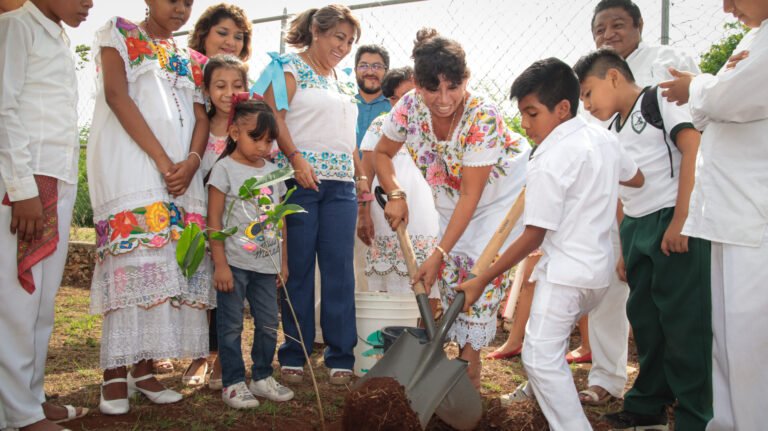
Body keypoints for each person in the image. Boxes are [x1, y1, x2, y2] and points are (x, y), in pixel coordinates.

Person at [459, 57, 642, 430]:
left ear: (562, 109)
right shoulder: (604, 137)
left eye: (531, 113)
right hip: (598, 272)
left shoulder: (548, 158)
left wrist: (482, 278)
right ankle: (545, 401)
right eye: (522, 113)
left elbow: (533, 235)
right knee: (550, 349)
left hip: (566, 276)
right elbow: (636, 178)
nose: (524, 124)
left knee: (540, 356)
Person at [565, 0, 705, 404]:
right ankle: (610, 379)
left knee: (675, 310)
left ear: (640, 25)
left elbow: (690, 137)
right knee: (617, 291)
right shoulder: (594, 93)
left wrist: (682, 216)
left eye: (617, 25)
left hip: (667, 206)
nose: (608, 34)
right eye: (600, 28)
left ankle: (679, 396)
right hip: (621, 204)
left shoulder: (666, 64)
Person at [375, 28, 531, 388]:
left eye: (453, 86)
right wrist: (395, 193)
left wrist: (439, 251)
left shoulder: (482, 117)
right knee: (450, 279)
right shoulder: (409, 108)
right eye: (433, 88)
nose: (444, 99)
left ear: (467, 78)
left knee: (477, 276)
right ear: (417, 84)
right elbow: (382, 153)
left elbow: (472, 197)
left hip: (498, 199)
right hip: (451, 197)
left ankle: (468, 373)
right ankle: (454, 373)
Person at [87, 0, 213, 415]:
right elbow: (117, 96)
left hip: (181, 172)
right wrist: (162, 161)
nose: (180, 8)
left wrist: (192, 162)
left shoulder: (192, 58)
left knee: (165, 265)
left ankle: (142, 371)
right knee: (134, 263)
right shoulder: (119, 33)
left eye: (188, 2)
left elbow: (201, 117)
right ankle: (114, 372)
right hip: (134, 166)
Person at [659, 1, 768, 429]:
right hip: (731, 213)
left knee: (750, 345)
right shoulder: (754, 36)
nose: (727, 7)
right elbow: (708, 110)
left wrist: (702, 87)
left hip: (754, 216)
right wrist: (708, 92)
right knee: (726, 342)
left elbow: (729, 97)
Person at [255, 4, 366, 385]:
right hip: (298, 182)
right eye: (339, 37)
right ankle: (293, 354)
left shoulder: (344, 79)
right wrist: (296, 159)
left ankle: (340, 356)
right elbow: (273, 117)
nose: (344, 46)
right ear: (317, 31)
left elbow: (348, 136)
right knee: (297, 268)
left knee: (339, 271)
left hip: (341, 188)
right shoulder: (289, 67)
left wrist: (361, 175)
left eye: (349, 41)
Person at [0, 2, 93, 430]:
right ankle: (17, 413)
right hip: (29, 184)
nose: (90, 3)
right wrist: (22, 190)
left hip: (57, 177)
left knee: (42, 303)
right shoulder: (16, 27)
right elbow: (4, 110)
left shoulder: (56, 34)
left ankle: (30, 399)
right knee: (18, 304)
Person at [181, 2, 253, 387]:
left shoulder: (247, 120)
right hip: (197, 211)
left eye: (238, 36)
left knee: (230, 292)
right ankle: (197, 355)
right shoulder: (196, 114)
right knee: (198, 284)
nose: (229, 41)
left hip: (235, 222)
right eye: (221, 33)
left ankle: (224, 357)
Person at [207, 96, 295, 409]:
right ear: (234, 134)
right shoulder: (224, 170)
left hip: (266, 265)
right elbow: (214, 220)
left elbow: (281, 218)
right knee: (230, 325)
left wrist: (282, 263)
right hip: (234, 264)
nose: (263, 146)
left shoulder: (274, 172)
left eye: (269, 140)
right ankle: (232, 383)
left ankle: (261, 377)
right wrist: (220, 264)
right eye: (255, 138)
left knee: (269, 322)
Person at [357, 67, 439, 302]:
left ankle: (424, 337)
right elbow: (368, 172)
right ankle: (390, 335)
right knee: (386, 285)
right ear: (390, 100)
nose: (405, 102)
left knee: (427, 278)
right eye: (396, 98)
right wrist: (363, 213)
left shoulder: (435, 124)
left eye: (410, 94)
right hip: (387, 213)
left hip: (426, 215)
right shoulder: (381, 125)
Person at [354, 44, 391, 148]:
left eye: (377, 66)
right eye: (363, 65)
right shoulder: (345, 103)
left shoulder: (395, 107)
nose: (370, 71)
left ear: (386, 72)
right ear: (355, 70)